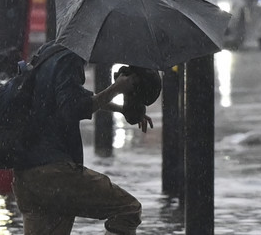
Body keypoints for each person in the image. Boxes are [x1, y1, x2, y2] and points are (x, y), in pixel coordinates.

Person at [11, 41, 155, 235]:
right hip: (55, 173)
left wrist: (120, 109)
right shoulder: (70, 59)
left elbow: (72, 98)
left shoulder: (48, 53)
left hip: (27, 177)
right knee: (128, 210)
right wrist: (117, 88)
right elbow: (74, 108)